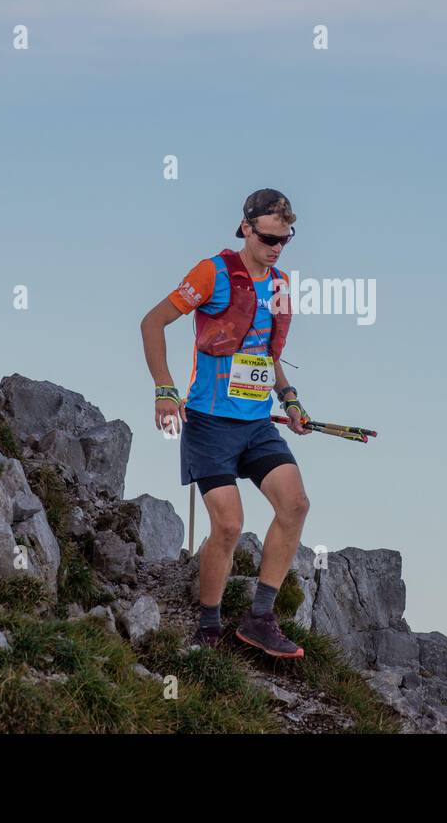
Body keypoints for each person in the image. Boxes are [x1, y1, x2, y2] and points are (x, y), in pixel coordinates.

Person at [139, 188, 312, 658]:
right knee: (230, 526)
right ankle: (209, 627)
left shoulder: (279, 286)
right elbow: (152, 323)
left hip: (258, 424)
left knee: (295, 504)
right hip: (209, 424)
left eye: (285, 241)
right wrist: (164, 389)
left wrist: (290, 399)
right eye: (269, 238)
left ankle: (259, 619)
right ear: (246, 228)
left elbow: (267, 355)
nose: (276, 248)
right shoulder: (211, 273)